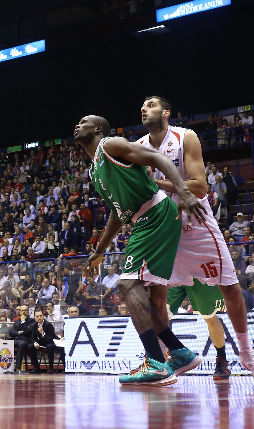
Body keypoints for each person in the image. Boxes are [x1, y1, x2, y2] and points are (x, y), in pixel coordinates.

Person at [138, 96, 254, 384]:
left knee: (231, 289)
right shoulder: (138, 148)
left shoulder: (186, 137)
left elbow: (199, 187)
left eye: (150, 104)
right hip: (162, 228)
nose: (144, 108)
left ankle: (248, 356)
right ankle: (162, 361)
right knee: (155, 298)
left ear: (166, 112)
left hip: (195, 224)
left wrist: (154, 183)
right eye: (143, 105)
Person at [76, 114, 202, 386]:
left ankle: (157, 364)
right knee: (146, 297)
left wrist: (183, 190)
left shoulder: (110, 145)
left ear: (98, 129)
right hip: (145, 218)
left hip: (154, 214)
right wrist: (100, 250)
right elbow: (118, 211)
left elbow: (161, 159)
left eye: (84, 121)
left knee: (127, 284)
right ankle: (179, 353)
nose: (78, 124)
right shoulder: (94, 168)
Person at [30, 309, 58, 374]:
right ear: (35, 318)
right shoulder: (34, 326)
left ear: (43, 316)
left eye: (40, 316)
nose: (39, 317)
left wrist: (42, 332)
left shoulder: (48, 325)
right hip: (40, 342)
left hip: (49, 342)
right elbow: (33, 338)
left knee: (50, 346)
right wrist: (35, 343)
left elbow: (51, 339)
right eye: (37, 316)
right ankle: (36, 367)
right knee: (31, 346)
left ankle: (51, 367)